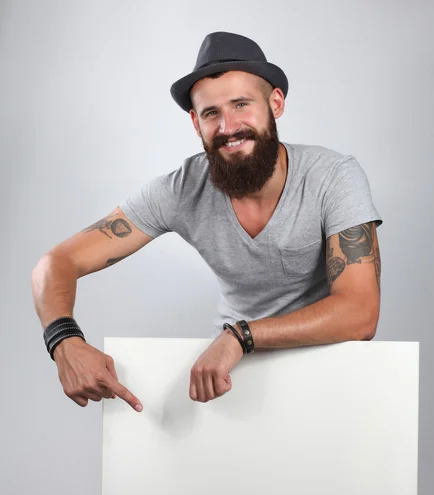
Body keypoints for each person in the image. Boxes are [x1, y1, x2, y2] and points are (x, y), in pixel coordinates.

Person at [32, 31, 382, 411]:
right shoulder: (181, 190)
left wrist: (239, 335)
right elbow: (55, 263)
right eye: (211, 113)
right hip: (232, 379)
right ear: (196, 123)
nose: (228, 127)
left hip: (329, 370)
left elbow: (360, 312)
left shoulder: (334, 176)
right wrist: (63, 341)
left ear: (275, 103)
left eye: (241, 104)